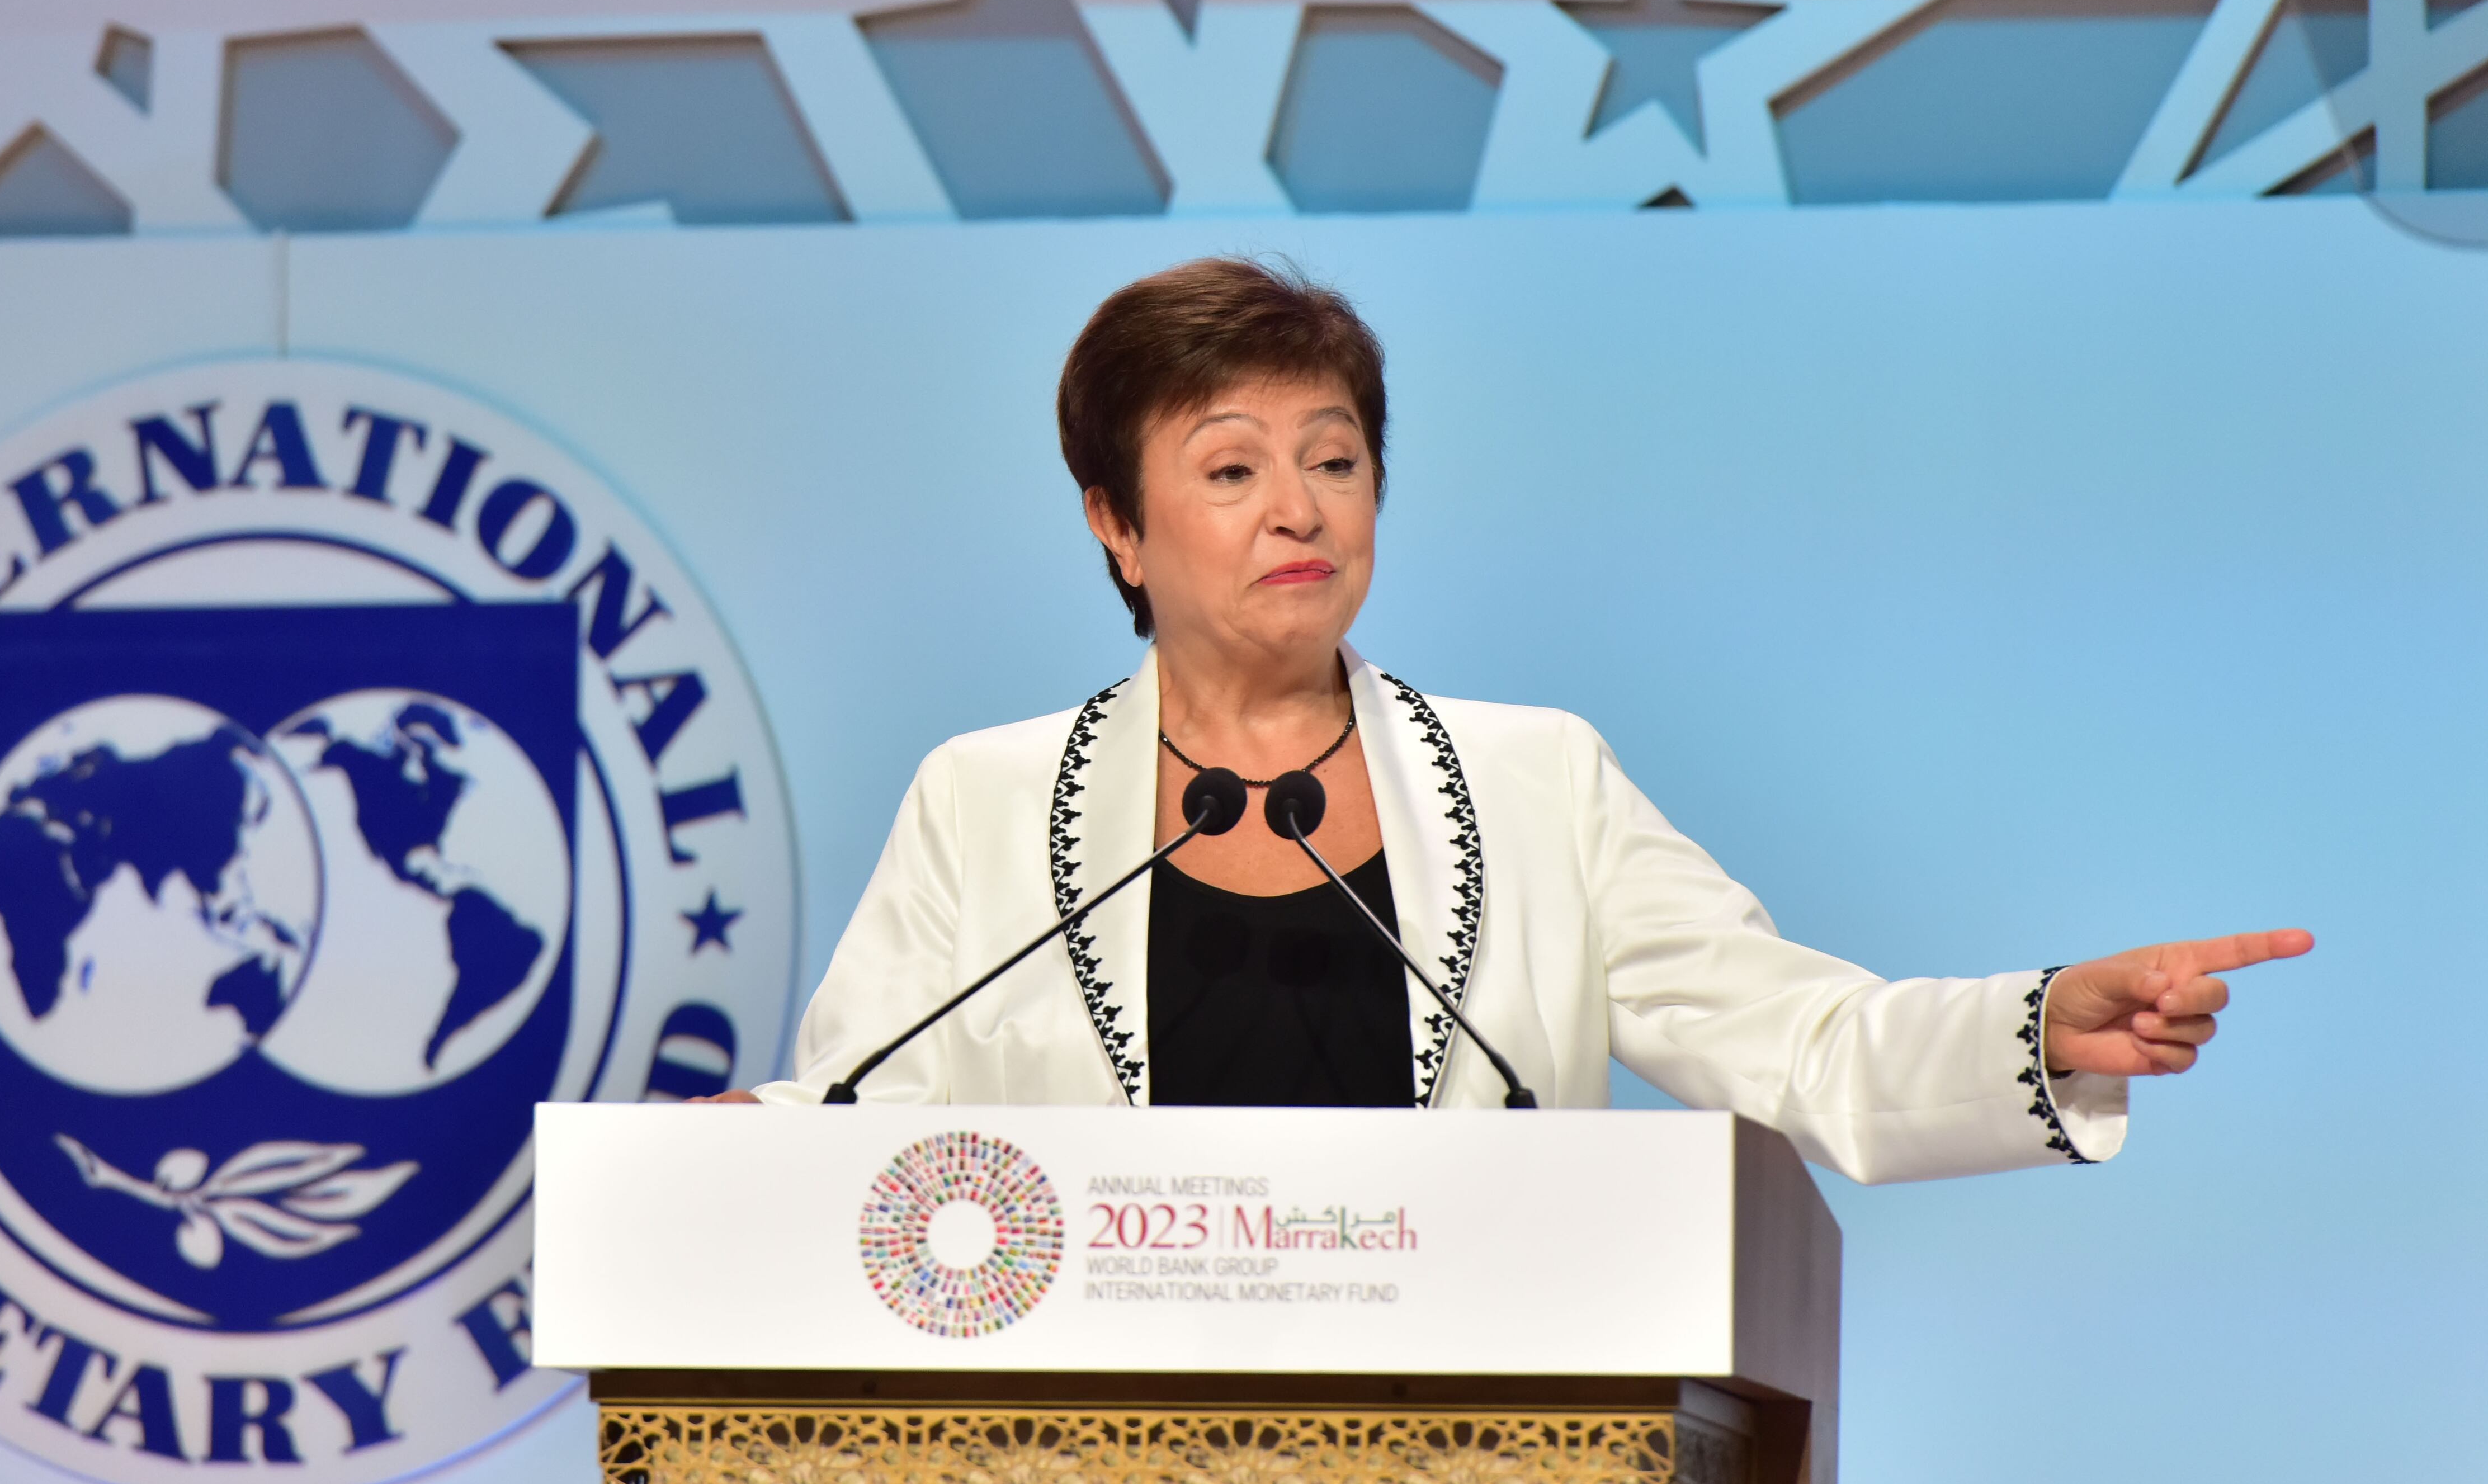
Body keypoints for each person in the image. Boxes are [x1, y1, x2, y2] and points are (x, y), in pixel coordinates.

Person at [719, 257, 2308, 1183]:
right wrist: (722, 1157)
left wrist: (2036, 1027)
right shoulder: (982, 801)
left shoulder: (1535, 780)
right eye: (1230, 467)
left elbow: (1797, 1038)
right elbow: (864, 1126)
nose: (1298, 507)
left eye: (1334, 460)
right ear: (1115, 528)